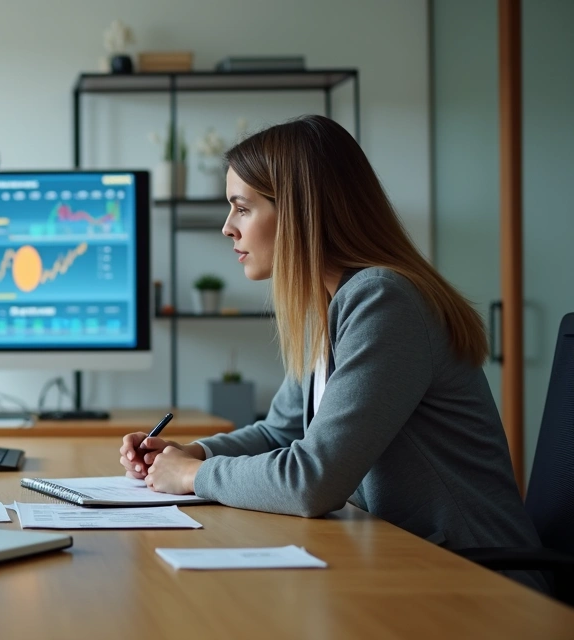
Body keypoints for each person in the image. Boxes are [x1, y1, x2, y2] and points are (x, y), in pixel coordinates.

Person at [119, 115, 543, 585]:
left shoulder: (384, 301)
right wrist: (188, 453)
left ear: (301, 211)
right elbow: (280, 433)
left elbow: (312, 480)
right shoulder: (328, 303)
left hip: (474, 581)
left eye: (242, 208)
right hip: (398, 558)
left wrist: (193, 477)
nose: (227, 228)